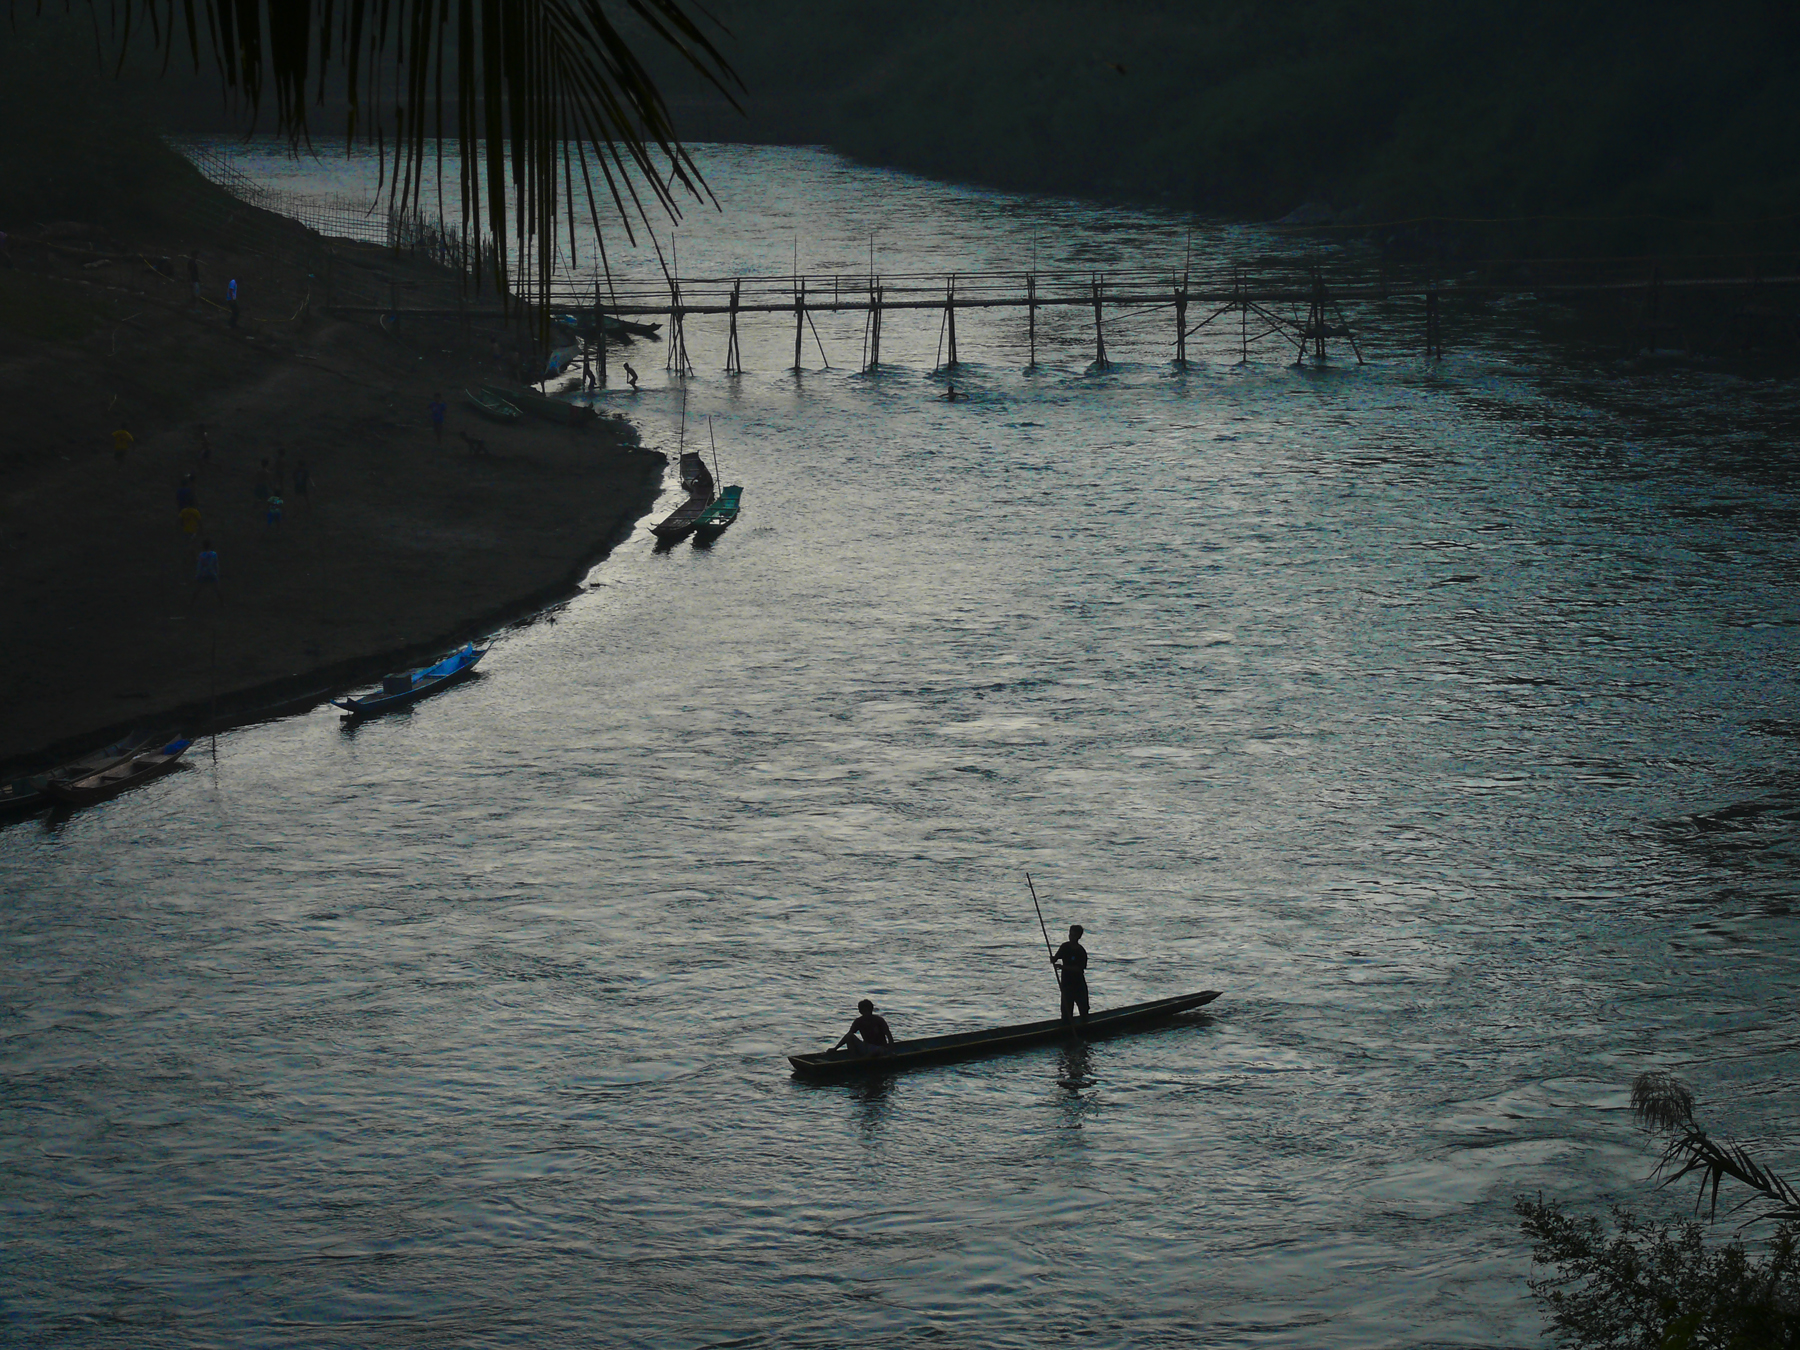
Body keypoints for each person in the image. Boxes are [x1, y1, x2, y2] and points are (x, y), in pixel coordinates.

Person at [1053, 924, 1090, 1023]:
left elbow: (1078, 969)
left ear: (1079, 937)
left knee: (1083, 1008)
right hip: (1066, 984)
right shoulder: (1065, 947)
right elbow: (1056, 957)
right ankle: (1066, 1027)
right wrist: (1053, 959)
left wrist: (1062, 967)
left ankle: (1085, 1027)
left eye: (1074, 935)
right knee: (1066, 1011)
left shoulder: (1081, 952)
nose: (1071, 937)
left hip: (1078, 984)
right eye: (1070, 934)